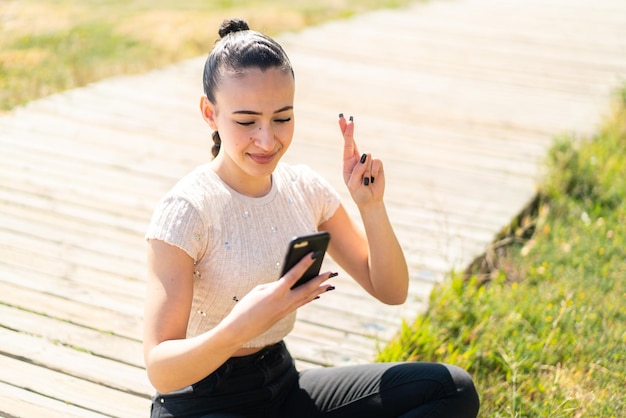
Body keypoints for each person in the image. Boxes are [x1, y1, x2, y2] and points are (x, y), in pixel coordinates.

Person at [143, 17, 480, 418]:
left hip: (282, 386)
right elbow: (161, 369)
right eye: (247, 121)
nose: (267, 140)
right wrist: (240, 326)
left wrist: (370, 206)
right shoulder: (187, 211)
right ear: (209, 113)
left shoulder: (304, 188)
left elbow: (391, 290)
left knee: (450, 389)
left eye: (282, 118)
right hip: (202, 403)